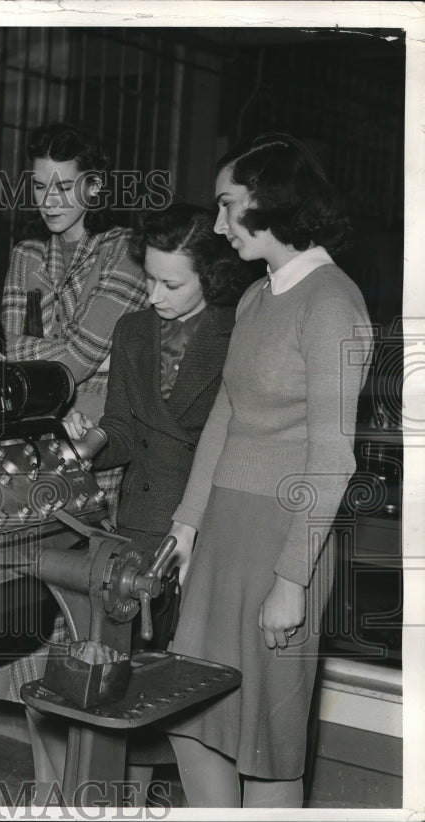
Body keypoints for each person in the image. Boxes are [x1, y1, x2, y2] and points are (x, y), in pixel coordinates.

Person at [161, 133, 373, 808]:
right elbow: (225, 414)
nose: (218, 224)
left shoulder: (334, 304)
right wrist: (189, 523)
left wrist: (291, 581)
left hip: (286, 541)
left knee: (269, 740)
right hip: (224, 528)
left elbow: (333, 458)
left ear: (271, 201)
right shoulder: (256, 298)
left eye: (228, 205)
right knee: (190, 717)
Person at [62, 203, 256, 803]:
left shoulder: (237, 329)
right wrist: (85, 446)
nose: (154, 294)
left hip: (206, 529)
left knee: (193, 685)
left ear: (212, 277)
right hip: (142, 527)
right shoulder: (134, 331)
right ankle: (132, 800)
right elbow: (121, 426)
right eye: (148, 277)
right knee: (132, 683)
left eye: (172, 283)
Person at [0, 121, 148, 801]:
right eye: (39, 184)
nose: (50, 197)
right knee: (36, 624)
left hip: (106, 469)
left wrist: (37, 361)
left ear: (93, 186)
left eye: (65, 184)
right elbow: (17, 359)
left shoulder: (127, 254)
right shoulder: (25, 252)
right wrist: (43, 363)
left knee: (95, 638)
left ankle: (92, 792)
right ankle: (48, 787)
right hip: (42, 461)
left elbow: (64, 360)